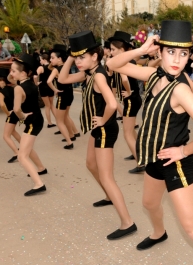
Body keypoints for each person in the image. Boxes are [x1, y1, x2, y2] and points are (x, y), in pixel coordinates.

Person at [107, 20, 193, 264]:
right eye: (170, 52)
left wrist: (184, 151)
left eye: (183, 53)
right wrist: (140, 49)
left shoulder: (180, 90)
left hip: (175, 163)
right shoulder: (154, 75)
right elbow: (112, 64)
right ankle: (159, 233)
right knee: (149, 204)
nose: (177, 59)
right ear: (159, 52)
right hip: (154, 157)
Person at [58, 30, 137, 240]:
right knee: (91, 165)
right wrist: (71, 56)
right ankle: (109, 197)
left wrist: (102, 119)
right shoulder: (88, 73)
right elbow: (62, 78)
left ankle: (127, 222)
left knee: (106, 176)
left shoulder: (99, 75)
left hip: (105, 129)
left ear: (95, 56)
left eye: (82, 57)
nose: (78, 61)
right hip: (97, 129)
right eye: (77, 57)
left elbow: (112, 103)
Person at [108, 31, 144, 174]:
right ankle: (138, 151)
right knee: (131, 131)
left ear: (122, 50)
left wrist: (128, 92)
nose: (111, 52)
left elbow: (124, 79)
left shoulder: (122, 62)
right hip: (135, 98)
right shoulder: (131, 61)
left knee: (127, 133)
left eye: (113, 49)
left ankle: (141, 163)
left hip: (131, 99)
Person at [12, 54, 48, 196]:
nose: (11, 73)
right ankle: (40, 167)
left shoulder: (18, 88)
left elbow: (16, 110)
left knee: (22, 156)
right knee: (26, 146)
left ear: (23, 73)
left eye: (13, 71)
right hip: (37, 119)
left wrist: (22, 117)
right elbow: (12, 78)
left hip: (32, 121)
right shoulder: (30, 83)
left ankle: (39, 184)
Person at [47, 44, 80, 148]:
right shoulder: (67, 67)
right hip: (70, 94)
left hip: (62, 95)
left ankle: (69, 142)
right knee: (66, 116)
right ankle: (73, 133)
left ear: (59, 58)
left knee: (59, 120)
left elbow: (48, 81)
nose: (51, 60)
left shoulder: (57, 70)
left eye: (52, 58)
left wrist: (55, 90)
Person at [0, 67, 20, 162]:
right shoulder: (11, 88)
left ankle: (16, 153)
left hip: (11, 114)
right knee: (13, 131)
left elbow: (2, 105)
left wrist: (7, 113)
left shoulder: (1, 93)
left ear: (2, 81)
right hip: (16, 113)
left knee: (5, 136)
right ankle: (24, 146)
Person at [35, 53, 56, 128]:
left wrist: (36, 83)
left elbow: (35, 75)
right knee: (52, 104)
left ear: (44, 60)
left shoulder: (41, 68)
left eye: (40, 59)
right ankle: (59, 120)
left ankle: (49, 123)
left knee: (47, 106)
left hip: (43, 87)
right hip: (51, 86)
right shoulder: (52, 67)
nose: (40, 61)